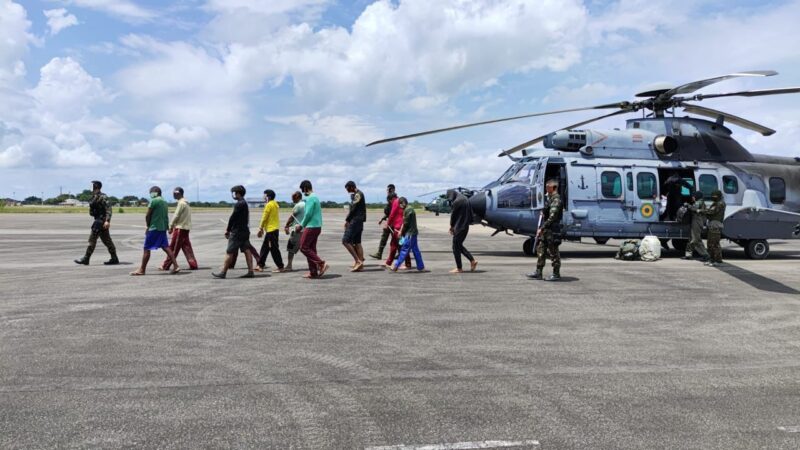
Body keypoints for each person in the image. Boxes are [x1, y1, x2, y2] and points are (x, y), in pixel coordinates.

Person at [130, 186, 180, 276]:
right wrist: (167, 227)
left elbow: (147, 215)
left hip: (154, 228)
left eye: (151, 192)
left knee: (146, 248)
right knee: (166, 247)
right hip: (162, 228)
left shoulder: (154, 201)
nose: (150, 194)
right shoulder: (164, 202)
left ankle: (142, 269)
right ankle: (176, 266)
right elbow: (165, 216)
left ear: (155, 192)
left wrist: (148, 226)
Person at [213, 185, 255, 279]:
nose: (234, 194)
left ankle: (223, 272)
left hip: (237, 232)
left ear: (238, 193)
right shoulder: (244, 203)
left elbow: (232, 218)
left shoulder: (239, 204)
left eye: (235, 193)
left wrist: (228, 230)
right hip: (244, 231)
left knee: (229, 251)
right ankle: (250, 271)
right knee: (247, 250)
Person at [74, 180, 119, 266]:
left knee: (92, 239)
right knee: (107, 241)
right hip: (98, 220)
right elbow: (92, 212)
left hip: (100, 221)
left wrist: (107, 221)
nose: (90, 187)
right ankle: (114, 258)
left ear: (96, 187)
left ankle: (86, 258)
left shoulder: (103, 197)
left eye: (92, 186)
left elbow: (108, 209)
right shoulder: (94, 197)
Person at [527, 179, 562, 281]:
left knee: (554, 253)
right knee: (541, 250)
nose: (546, 188)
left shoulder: (556, 200)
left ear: (554, 187)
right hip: (546, 230)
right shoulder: (550, 199)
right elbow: (547, 212)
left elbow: (552, 217)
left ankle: (556, 274)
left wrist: (542, 228)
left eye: (548, 187)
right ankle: (538, 272)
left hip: (552, 230)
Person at [160, 187, 198, 271]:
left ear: (178, 193)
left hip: (180, 228)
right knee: (187, 247)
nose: (173, 194)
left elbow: (176, 215)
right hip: (186, 228)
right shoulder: (186, 202)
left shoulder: (181, 203)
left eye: (175, 193)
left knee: (173, 248)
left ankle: (165, 266)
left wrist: (171, 226)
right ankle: (193, 264)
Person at [297, 180, 328, 279]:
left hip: (311, 226)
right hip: (317, 226)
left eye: (302, 190)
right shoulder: (316, 197)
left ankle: (321, 263)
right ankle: (313, 272)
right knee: (311, 249)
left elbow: (308, 214)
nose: (303, 192)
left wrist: (301, 225)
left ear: (305, 188)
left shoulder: (310, 198)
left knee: (303, 247)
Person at [448, 189, 478, 273]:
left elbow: (453, 216)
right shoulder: (465, 199)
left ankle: (459, 268)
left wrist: (451, 226)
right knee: (458, 245)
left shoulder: (457, 201)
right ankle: (472, 261)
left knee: (455, 247)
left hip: (459, 227)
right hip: (465, 227)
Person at [391, 197, 424, 272]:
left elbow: (405, 223)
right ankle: (420, 266)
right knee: (416, 250)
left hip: (410, 234)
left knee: (404, 250)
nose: (399, 206)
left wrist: (401, 232)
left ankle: (396, 266)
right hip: (413, 233)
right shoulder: (409, 209)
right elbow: (404, 222)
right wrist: (400, 231)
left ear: (403, 203)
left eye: (400, 204)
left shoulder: (408, 210)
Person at [256, 189, 284, 272]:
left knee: (274, 249)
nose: (263, 197)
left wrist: (260, 227)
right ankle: (260, 265)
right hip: (274, 229)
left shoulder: (268, 205)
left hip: (271, 231)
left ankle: (280, 266)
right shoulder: (275, 204)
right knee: (265, 248)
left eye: (264, 195)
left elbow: (265, 217)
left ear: (268, 196)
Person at [383, 187, 410, 270]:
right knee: (400, 244)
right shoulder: (402, 201)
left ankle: (391, 262)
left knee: (395, 245)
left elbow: (392, 214)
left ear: (391, 199)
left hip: (398, 228)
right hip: (404, 226)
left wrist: (387, 224)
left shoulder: (395, 202)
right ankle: (405, 263)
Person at [343, 181, 366, 272]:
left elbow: (353, 208)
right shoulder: (357, 194)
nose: (347, 190)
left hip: (355, 221)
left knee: (345, 240)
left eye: (348, 188)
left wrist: (347, 220)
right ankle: (360, 265)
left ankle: (358, 261)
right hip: (359, 221)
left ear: (352, 187)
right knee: (357, 242)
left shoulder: (358, 194)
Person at [369, 184, 397, 260]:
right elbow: (388, 213)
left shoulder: (394, 199)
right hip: (390, 222)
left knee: (396, 238)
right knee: (384, 237)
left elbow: (393, 212)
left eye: (388, 190)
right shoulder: (390, 198)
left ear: (392, 189)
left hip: (394, 223)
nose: (387, 191)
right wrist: (383, 219)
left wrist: (388, 222)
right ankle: (379, 253)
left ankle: (401, 253)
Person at [681, 191, 710, 262]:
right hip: (696, 221)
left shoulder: (699, 202)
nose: (692, 198)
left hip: (697, 222)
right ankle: (688, 254)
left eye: (694, 196)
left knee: (695, 239)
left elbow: (694, 208)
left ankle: (705, 255)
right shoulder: (699, 202)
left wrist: (688, 205)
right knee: (692, 238)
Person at [283, 191, 305, 272]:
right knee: (306, 248)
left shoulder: (298, 205)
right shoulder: (305, 204)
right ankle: (316, 264)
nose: (292, 199)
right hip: (305, 230)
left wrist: (286, 226)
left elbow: (292, 217)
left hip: (297, 230)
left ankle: (289, 265)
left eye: (293, 197)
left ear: (297, 197)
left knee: (291, 248)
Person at [703, 189, 726, 266]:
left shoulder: (720, 204)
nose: (713, 197)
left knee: (715, 243)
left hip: (716, 225)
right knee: (710, 243)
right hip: (712, 224)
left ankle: (718, 260)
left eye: (714, 196)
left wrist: (702, 210)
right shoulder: (715, 203)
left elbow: (711, 212)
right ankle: (712, 259)